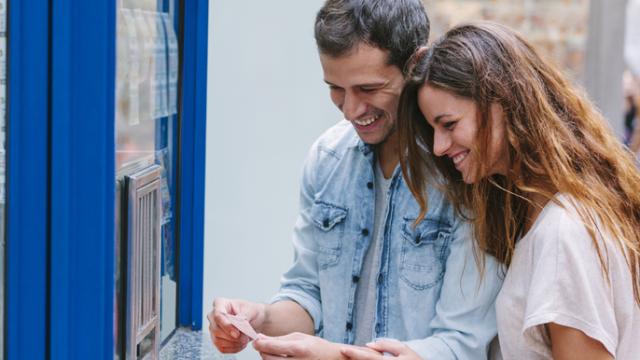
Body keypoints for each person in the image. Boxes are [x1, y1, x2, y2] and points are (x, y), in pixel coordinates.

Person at [207, 1, 503, 359]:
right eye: (336, 88)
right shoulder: (327, 158)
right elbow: (309, 293)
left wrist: (335, 356)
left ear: (416, 64)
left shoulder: (464, 170)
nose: (350, 110)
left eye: (368, 88)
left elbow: (461, 345)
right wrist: (260, 318)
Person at [370, 21, 640, 359]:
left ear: (503, 104)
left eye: (449, 124)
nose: (439, 146)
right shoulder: (543, 212)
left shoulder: (561, 234)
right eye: (434, 130)